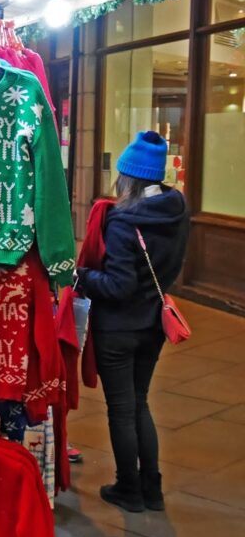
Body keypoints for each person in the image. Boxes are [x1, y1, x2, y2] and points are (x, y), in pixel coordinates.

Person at [75, 131, 189, 513]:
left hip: (118, 330)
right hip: (153, 324)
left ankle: (128, 488)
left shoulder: (124, 221)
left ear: (128, 176)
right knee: (140, 404)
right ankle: (152, 490)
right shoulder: (176, 210)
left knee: (123, 410)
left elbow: (118, 285)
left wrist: (83, 279)